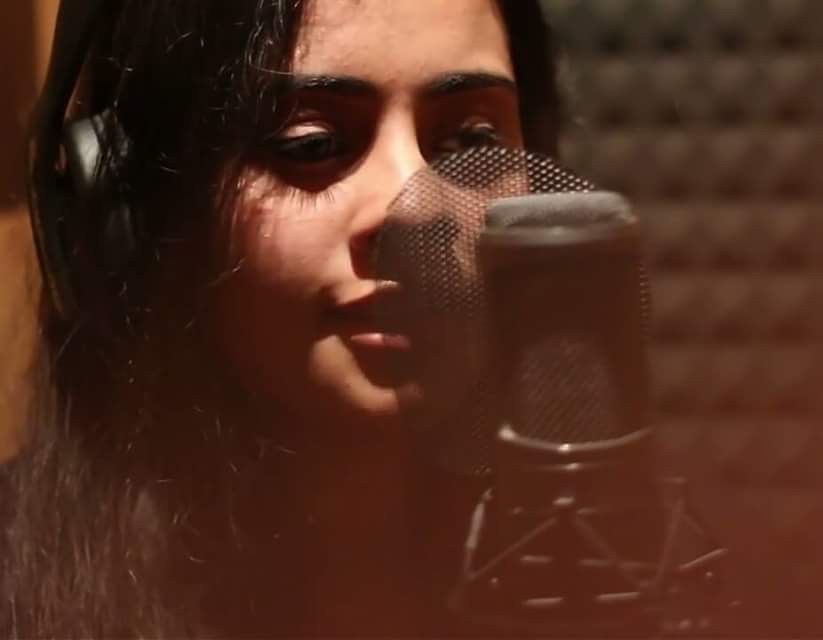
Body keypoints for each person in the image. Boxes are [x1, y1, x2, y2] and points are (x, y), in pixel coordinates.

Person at [1, 0, 563, 636]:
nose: (414, 209)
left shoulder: (615, 564)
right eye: (312, 144)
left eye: (471, 143)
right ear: (130, 215)